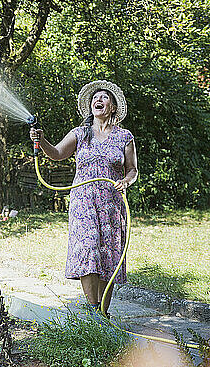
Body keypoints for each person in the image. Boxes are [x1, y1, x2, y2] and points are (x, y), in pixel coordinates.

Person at [29, 80, 138, 315]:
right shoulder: (80, 134)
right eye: (95, 97)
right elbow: (57, 153)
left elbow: (132, 169)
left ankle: (103, 315)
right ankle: (93, 311)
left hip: (111, 205)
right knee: (89, 250)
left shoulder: (125, 137)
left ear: (113, 107)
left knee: (108, 256)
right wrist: (41, 140)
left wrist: (126, 181)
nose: (98, 100)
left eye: (104, 97)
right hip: (84, 203)